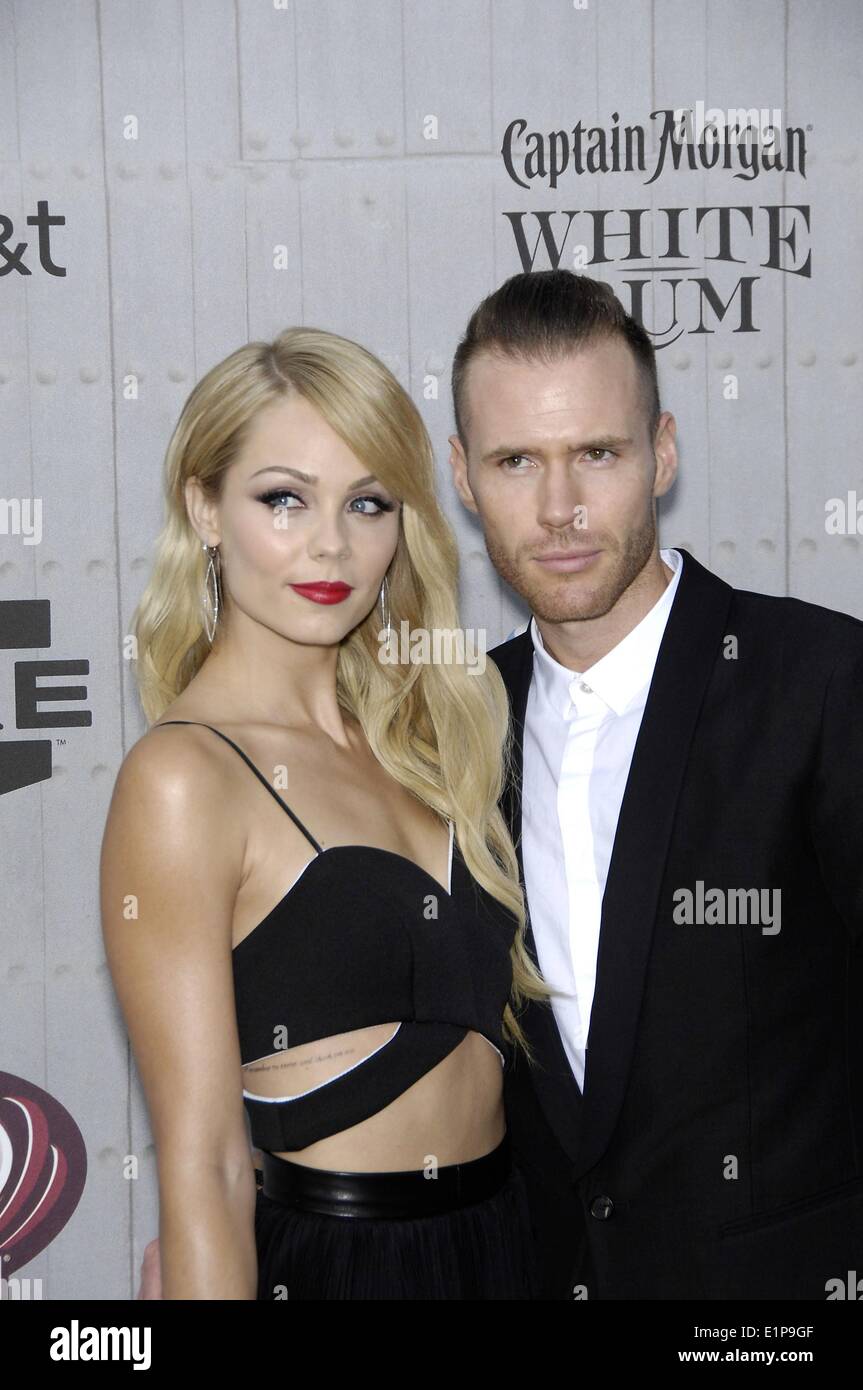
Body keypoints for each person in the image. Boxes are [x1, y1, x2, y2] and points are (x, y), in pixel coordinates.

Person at [100, 325, 554, 1300]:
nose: (330, 544)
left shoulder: (428, 736)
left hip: (508, 1243)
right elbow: (207, 1167)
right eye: (283, 498)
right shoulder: (184, 777)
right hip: (340, 1265)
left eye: (366, 503)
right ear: (205, 509)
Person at [446, 268, 863, 1299]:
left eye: (596, 453)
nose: (558, 509)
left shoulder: (818, 682)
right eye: (515, 461)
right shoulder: (450, 729)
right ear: (461, 476)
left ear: (662, 452)